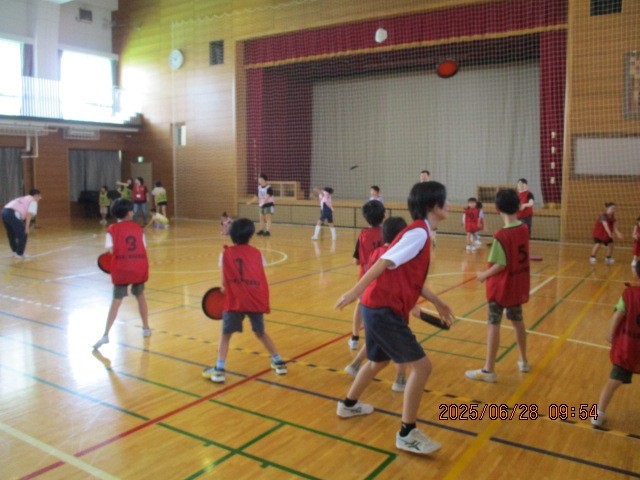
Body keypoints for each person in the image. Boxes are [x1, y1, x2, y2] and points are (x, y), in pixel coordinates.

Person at [335, 181, 455, 455]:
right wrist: (354, 291)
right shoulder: (418, 233)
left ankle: (349, 405)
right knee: (422, 367)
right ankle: (407, 433)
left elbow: (408, 276)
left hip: (377, 307)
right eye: (445, 200)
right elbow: (383, 262)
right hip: (382, 309)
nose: (449, 204)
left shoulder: (421, 232)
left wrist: (438, 301)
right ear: (432, 205)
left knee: (377, 361)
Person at [201, 218, 287, 382]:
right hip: (254, 299)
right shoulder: (257, 253)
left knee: (226, 335)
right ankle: (279, 362)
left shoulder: (225, 254)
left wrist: (227, 288)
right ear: (250, 236)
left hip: (235, 300)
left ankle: (219, 370)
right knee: (260, 333)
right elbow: (259, 276)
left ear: (231, 235)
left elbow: (223, 282)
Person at [466, 189, 530, 383]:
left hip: (501, 288)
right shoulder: (524, 229)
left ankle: (489, 369)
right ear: (518, 206)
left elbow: (500, 264)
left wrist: (483, 275)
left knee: (493, 324)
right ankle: (524, 360)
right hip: (517, 285)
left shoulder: (501, 235)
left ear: (497, 209)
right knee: (518, 322)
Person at [345, 216, 410, 393]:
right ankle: (400, 378)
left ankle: (355, 365)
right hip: (390, 306)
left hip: (371, 304)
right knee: (400, 343)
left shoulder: (376, 253)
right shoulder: (399, 255)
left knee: (376, 338)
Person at [93, 199, 151, 349]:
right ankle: (146, 328)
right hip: (138, 267)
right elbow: (143, 247)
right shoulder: (138, 228)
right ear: (129, 213)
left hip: (121, 268)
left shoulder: (112, 229)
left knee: (116, 301)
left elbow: (110, 251)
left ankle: (106, 334)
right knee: (140, 296)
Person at [591, 261, 640, 427]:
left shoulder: (629, 294)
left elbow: (619, 314)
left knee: (612, 382)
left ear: (636, 274)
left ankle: (598, 416)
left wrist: (610, 333)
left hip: (628, 347)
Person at [348, 200, 386, 350]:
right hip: (383, 277)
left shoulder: (363, 235)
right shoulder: (387, 233)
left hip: (365, 278)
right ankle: (379, 338)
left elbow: (356, 261)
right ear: (384, 216)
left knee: (360, 304)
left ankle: (355, 338)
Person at [2, 189, 42, 259]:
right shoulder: (33, 201)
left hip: (4, 212)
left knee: (11, 234)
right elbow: (29, 214)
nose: (40, 198)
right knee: (23, 234)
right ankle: (19, 254)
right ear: (35, 196)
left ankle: (15, 252)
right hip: (12, 213)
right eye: (39, 196)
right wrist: (27, 227)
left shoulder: (23, 198)